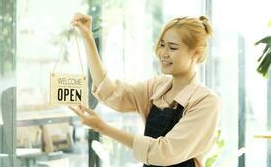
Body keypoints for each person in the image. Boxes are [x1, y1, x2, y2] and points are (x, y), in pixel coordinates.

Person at [69, 13, 220, 167]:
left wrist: (103, 127)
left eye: (172, 47)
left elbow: (164, 152)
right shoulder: (157, 87)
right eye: (162, 45)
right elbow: (112, 92)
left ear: (196, 53)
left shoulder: (206, 101)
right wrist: (87, 38)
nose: (163, 53)